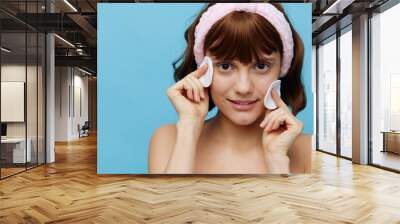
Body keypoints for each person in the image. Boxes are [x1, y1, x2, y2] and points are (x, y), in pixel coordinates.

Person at [148, 3, 309, 174]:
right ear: (203, 69)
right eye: (225, 66)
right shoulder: (168, 140)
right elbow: (171, 202)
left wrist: (277, 162)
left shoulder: (307, 150)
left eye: (261, 66)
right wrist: (189, 129)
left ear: (282, 68)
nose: (243, 87)